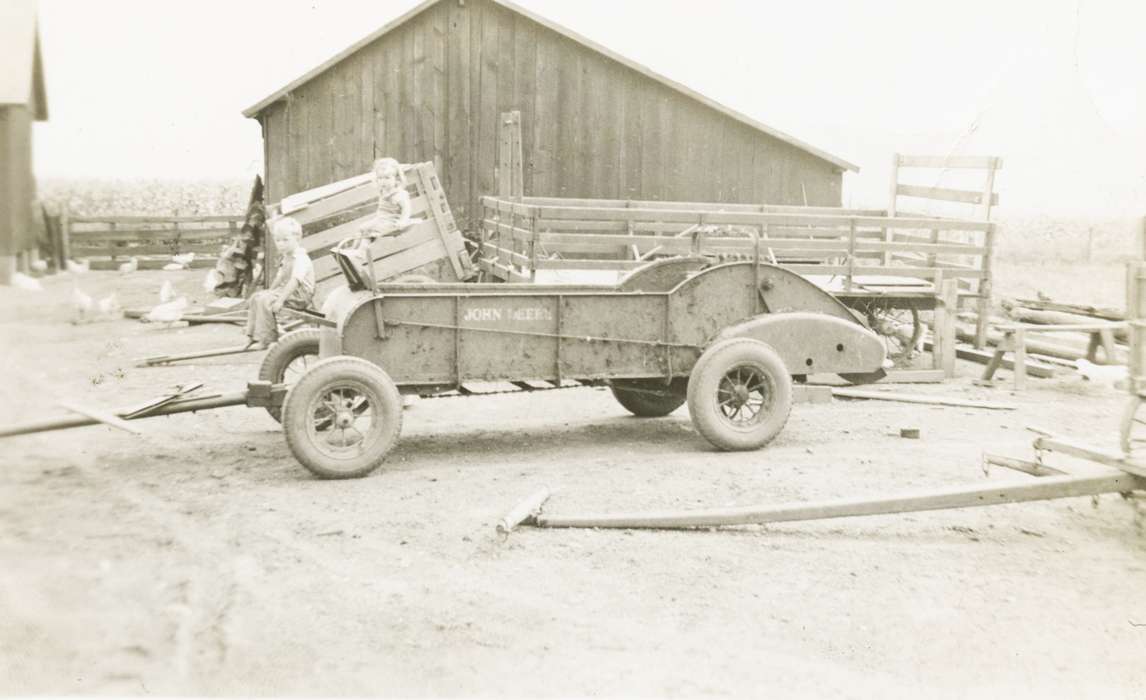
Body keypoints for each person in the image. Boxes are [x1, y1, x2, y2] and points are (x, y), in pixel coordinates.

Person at [245, 217, 314, 350]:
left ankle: (267, 339)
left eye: (285, 240)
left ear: (297, 239)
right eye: (278, 240)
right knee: (256, 297)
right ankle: (252, 335)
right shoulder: (287, 256)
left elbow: (295, 281)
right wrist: (270, 291)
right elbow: (280, 276)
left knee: (266, 301)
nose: (281, 244)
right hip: (289, 291)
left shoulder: (300, 258)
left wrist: (280, 300)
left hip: (300, 295)